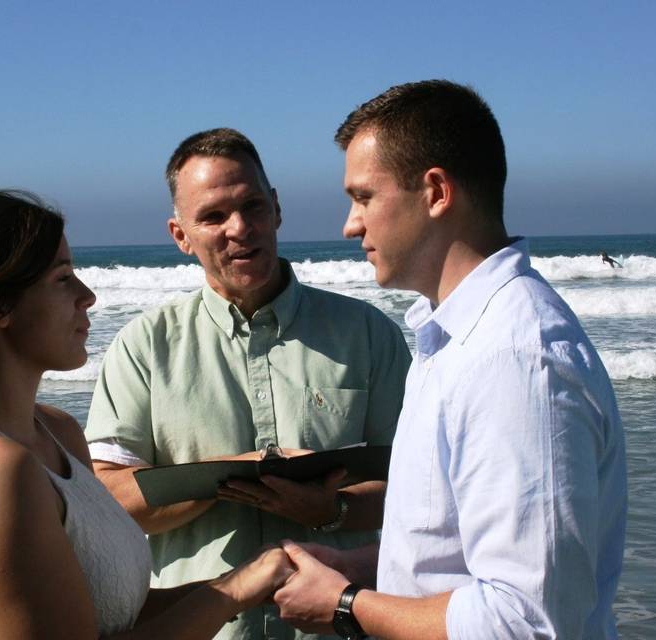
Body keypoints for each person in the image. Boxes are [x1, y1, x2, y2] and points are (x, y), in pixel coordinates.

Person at [273, 80, 627, 639]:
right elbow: (457, 558)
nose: (349, 224)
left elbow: (525, 621)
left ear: (436, 192)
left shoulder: (512, 358)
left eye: (364, 196)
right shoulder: (455, 338)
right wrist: (364, 569)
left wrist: (345, 604)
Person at [0, 189, 294, 639]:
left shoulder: (55, 431)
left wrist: (252, 580)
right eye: (63, 278)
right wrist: (231, 593)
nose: (88, 296)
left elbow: (112, 610)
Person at [84, 128, 411, 639]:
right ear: (180, 236)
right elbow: (107, 504)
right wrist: (222, 478)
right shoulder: (143, 346)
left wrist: (335, 510)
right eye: (213, 217)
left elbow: (426, 491)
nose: (240, 228)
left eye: (253, 206)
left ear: (277, 209)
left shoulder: (369, 335)